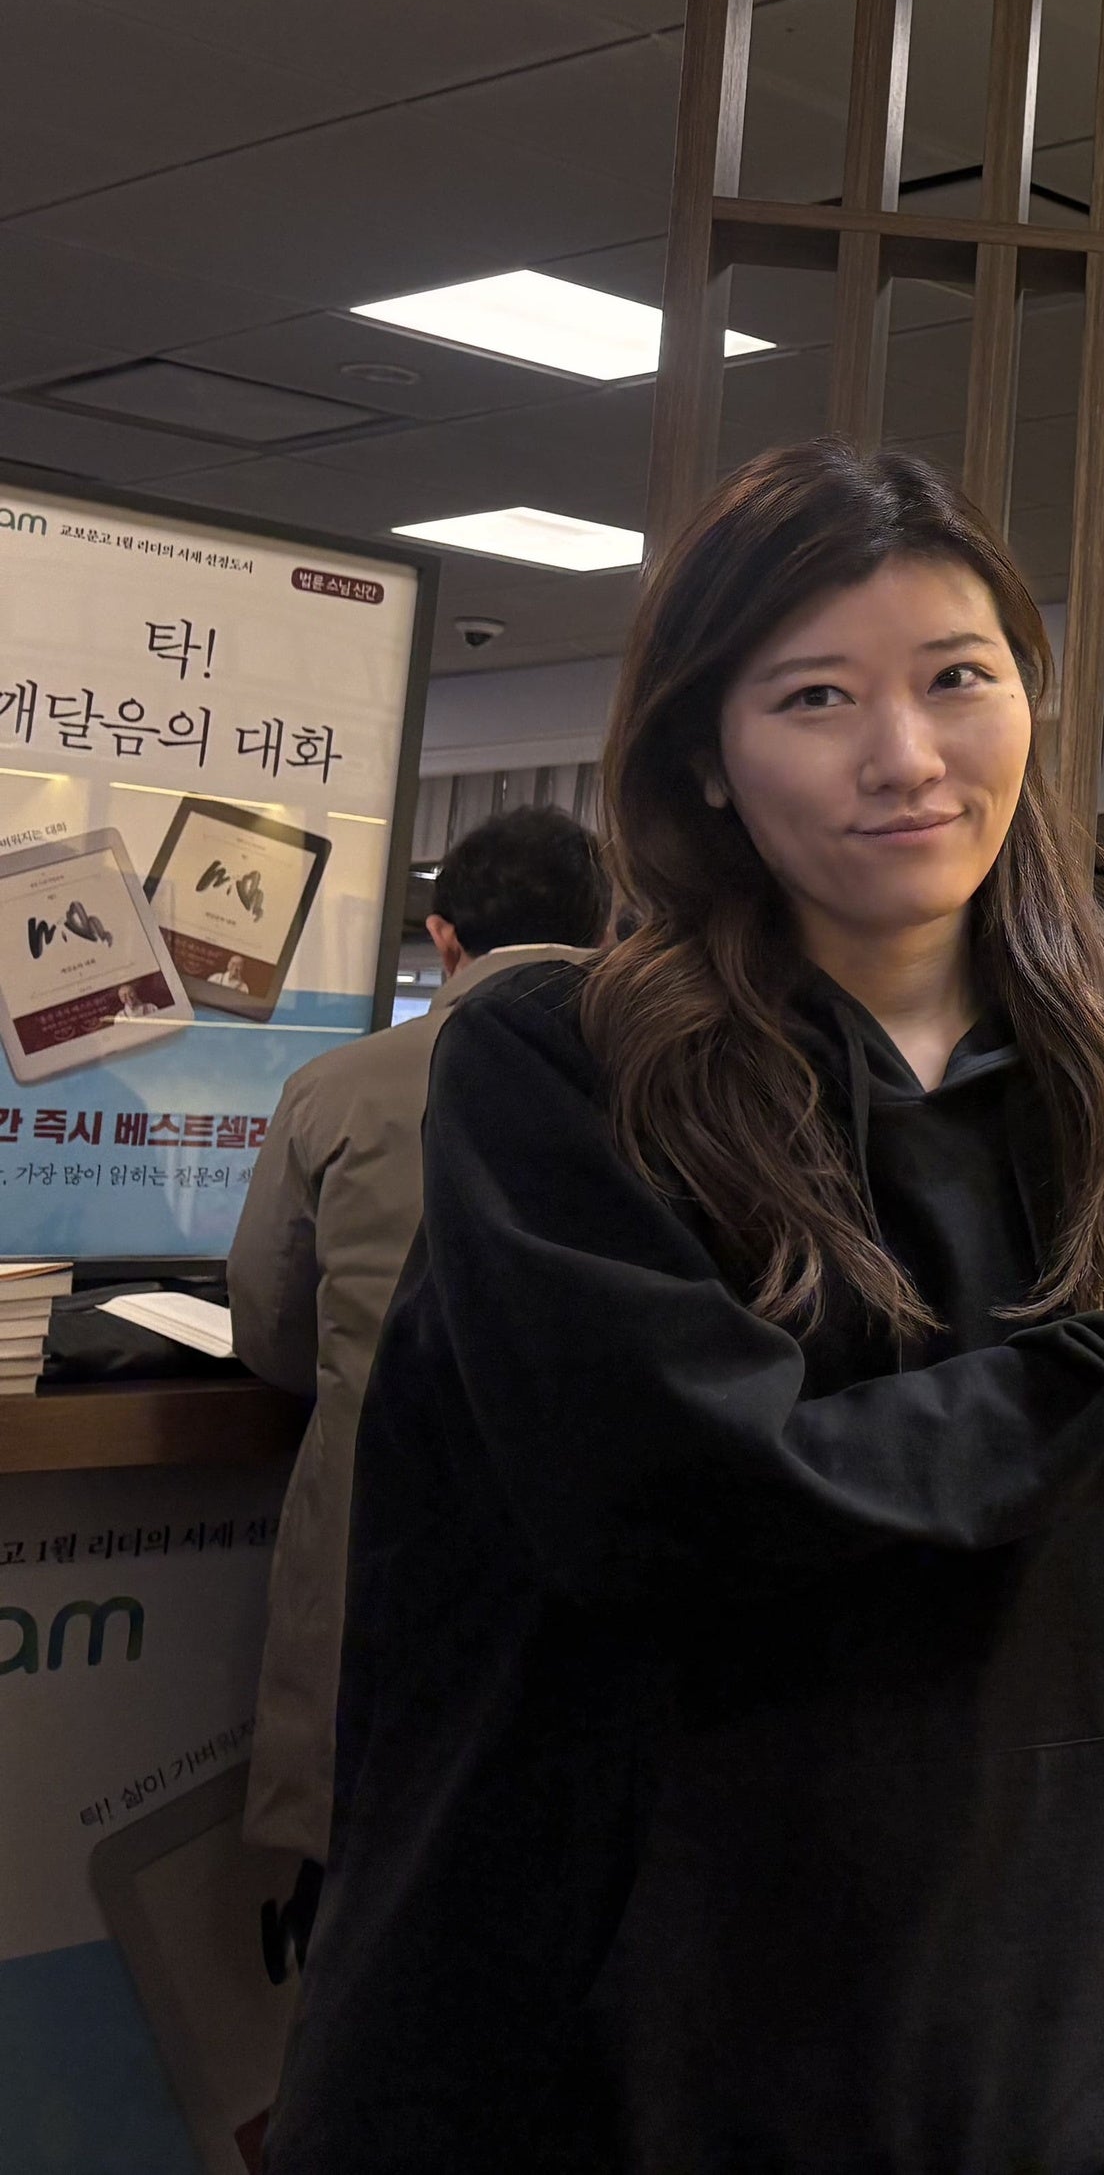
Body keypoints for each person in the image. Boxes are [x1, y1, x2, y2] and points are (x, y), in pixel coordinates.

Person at [269, 443, 1104, 2174]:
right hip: (629, 1994)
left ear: (1030, 704)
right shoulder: (562, 1062)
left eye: (957, 679)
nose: (905, 757)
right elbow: (688, 1499)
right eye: (817, 697)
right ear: (703, 754)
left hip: (1019, 1978)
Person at [228, 804, 610, 1892]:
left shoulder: (340, 1086)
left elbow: (270, 1325)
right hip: (601, 1552)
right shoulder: (685, 1077)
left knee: (369, 1861)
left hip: (381, 1534)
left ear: (443, 938)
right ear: (605, 929)